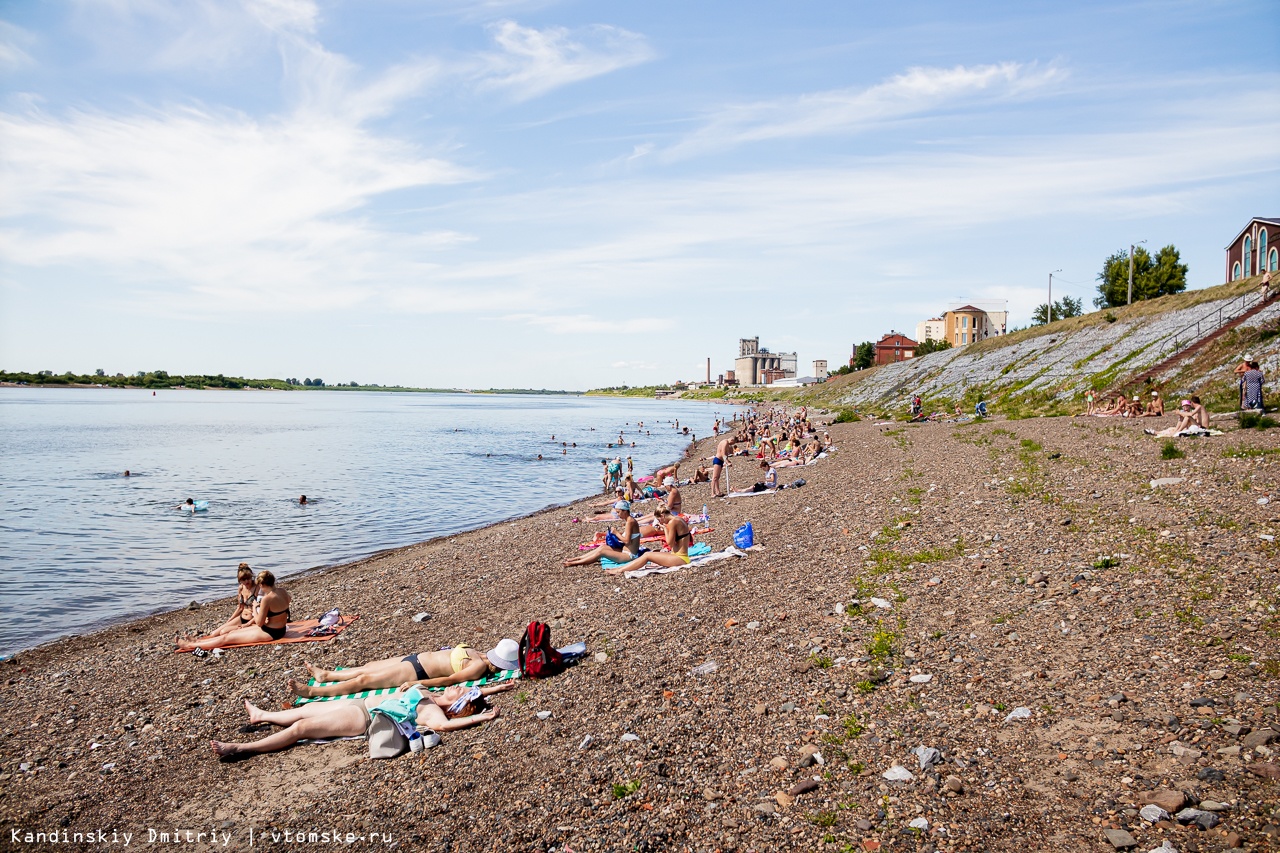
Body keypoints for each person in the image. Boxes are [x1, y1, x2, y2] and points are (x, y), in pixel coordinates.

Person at [211, 682, 510, 760]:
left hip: (363, 716)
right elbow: (476, 691)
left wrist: (480, 718)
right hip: (360, 703)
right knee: (308, 708)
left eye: (462, 692)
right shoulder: (431, 694)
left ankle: (242, 748)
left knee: (301, 729)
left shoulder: (433, 711)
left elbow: (444, 726)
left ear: (460, 705)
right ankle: (261, 715)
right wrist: (494, 689)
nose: (460, 687)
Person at [288, 639, 521, 698]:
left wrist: (417, 683)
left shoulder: (478, 668)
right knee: (367, 667)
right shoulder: (479, 655)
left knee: (365, 680)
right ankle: (326, 675)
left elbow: (449, 680)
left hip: (417, 672)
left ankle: (313, 692)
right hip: (415, 658)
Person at [177, 570, 291, 651]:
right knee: (231, 633)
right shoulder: (282, 591)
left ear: (261, 584)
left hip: (271, 632)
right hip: (279, 629)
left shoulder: (267, 598)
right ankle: (197, 642)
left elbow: (259, 622)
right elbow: (286, 602)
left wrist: (256, 607)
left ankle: (190, 646)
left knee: (227, 638)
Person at [605, 505, 692, 576]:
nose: (661, 523)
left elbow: (670, 543)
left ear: (662, 516)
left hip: (680, 558)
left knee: (647, 555)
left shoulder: (673, 522)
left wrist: (665, 528)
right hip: (680, 555)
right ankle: (620, 569)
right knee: (654, 553)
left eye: (659, 520)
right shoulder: (678, 519)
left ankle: (620, 570)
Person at [565, 502, 644, 568]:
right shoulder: (629, 520)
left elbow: (627, 541)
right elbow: (627, 535)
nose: (617, 514)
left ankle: (575, 563)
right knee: (602, 547)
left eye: (618, 512)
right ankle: (577, 558)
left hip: (629, 556)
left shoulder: (630, 522)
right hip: (626, 551)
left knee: (602, 552)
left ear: (625, 511)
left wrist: (616, 533)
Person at [205, 563, 260, 638]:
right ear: (240, 580)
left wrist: (248, 624)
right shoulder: (241, 588)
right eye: (243, 579)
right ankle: (195, 642)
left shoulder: (257, 588)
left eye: (249, 578)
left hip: (252, 620)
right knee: (214, 633)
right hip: (242, 617)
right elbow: (240, 608)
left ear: (252, 577)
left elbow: (260, 609)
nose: (247, 581)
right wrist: (230, 620)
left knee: (223, 632)